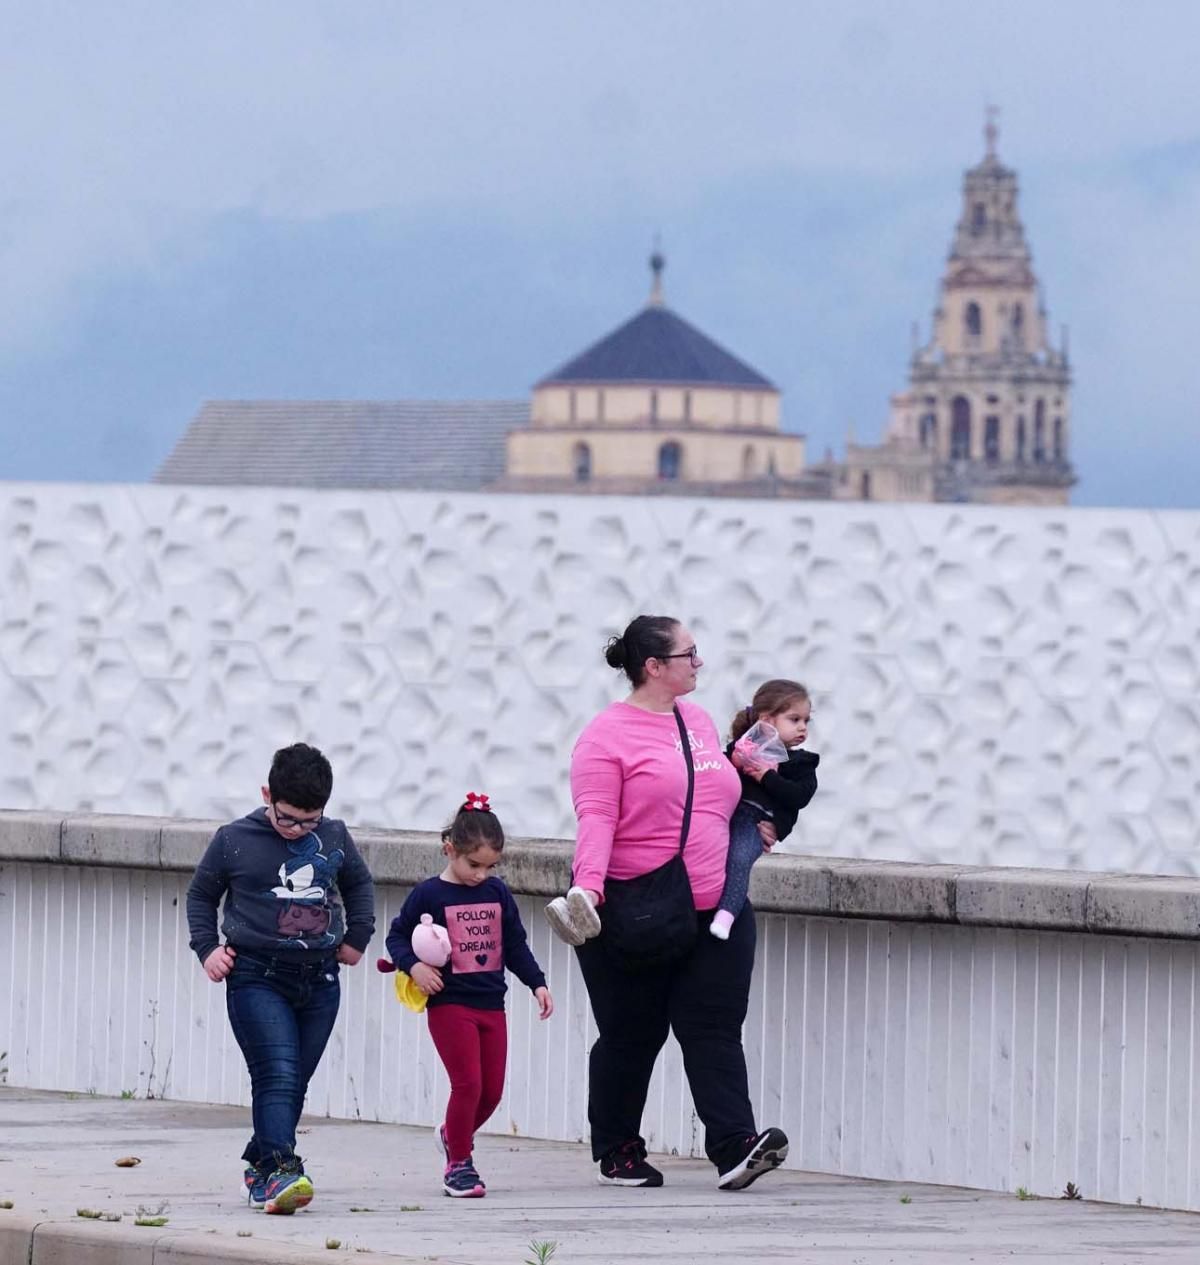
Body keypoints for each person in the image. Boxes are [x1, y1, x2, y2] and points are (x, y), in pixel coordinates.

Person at [558, 614, 789, 1191]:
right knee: (632, 1032)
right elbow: (597, 818)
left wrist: (756, 825)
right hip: (634, 906)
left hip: (716, 906)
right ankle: (618, 1148)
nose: (700, 662)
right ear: (654, 667)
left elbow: (717, 796)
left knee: (713, 1026)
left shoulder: (699, 721)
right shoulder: (604, 737)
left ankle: (735, 1147)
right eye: (690, 654)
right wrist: (587, 890)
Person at [186, 743, 375, 1215]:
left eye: (309, 821)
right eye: (288, 819)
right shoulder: (234, 838)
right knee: (277, 1074)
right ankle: (280, 1170)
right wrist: (208, 949)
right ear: (267, 794)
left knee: (294, 1082)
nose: (298, 831)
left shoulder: (334, 836)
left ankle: (259, 1164)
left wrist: (358, 936)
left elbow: (359, 884)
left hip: (320, 979)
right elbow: (200, 896)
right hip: (255, 976)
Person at [385, 793, 553, 1199]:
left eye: (490, 866)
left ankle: (451, 1134)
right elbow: (396, 937)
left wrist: (538, 983)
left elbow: (514, 945)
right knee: (468, 1085)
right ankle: (458, 1163)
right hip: (450, 1004)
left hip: (492, 1004)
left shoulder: (496, 894)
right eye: (473, 864)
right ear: (450, 850)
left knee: (491, 1092)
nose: (481, 874)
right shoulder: (429, 895)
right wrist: (416, 967)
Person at [712, 680, 819, 940]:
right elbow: (715, 781)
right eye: (794, 719)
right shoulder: (744, 749)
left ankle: (726, 915)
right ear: (767, 720)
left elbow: (797, 798)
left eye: (806, 720)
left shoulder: (801, 764)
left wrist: (767, 777)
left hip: (753, 823)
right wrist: (734, 761)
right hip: (725, 818)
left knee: (739, 859)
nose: (802, 727)